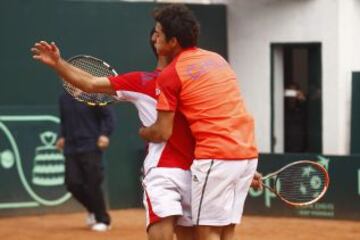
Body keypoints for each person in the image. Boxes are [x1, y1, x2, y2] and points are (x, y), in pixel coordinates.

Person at [31, 30, 195, 240]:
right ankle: (95, 213)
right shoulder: (143, 81)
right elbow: (90, 82)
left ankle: (100, 217)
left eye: (160, 31)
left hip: (195, 169)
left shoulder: (196, 83)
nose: (157, 36)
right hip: (167, 170)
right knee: (74, 182)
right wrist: (58, 63)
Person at [139, 4, 259, 240]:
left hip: (215, 156)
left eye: (159, 33)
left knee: (206, 231)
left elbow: (163, 132)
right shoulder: (217, 60)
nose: (155, 37)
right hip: (246, 153)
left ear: (172, 41)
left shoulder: (171, 75)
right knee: (226, 229)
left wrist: (144, 132)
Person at [56, 89, 115, 232]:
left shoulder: (93, 95)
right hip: (71, 147)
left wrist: (105, 134)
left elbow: (108, 116)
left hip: (91, 145)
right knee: (72, 184)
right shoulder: (64, 98)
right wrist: (63, 136)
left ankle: (103, 220)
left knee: (93, 183)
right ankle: (93, 210)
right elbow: (64, 121)